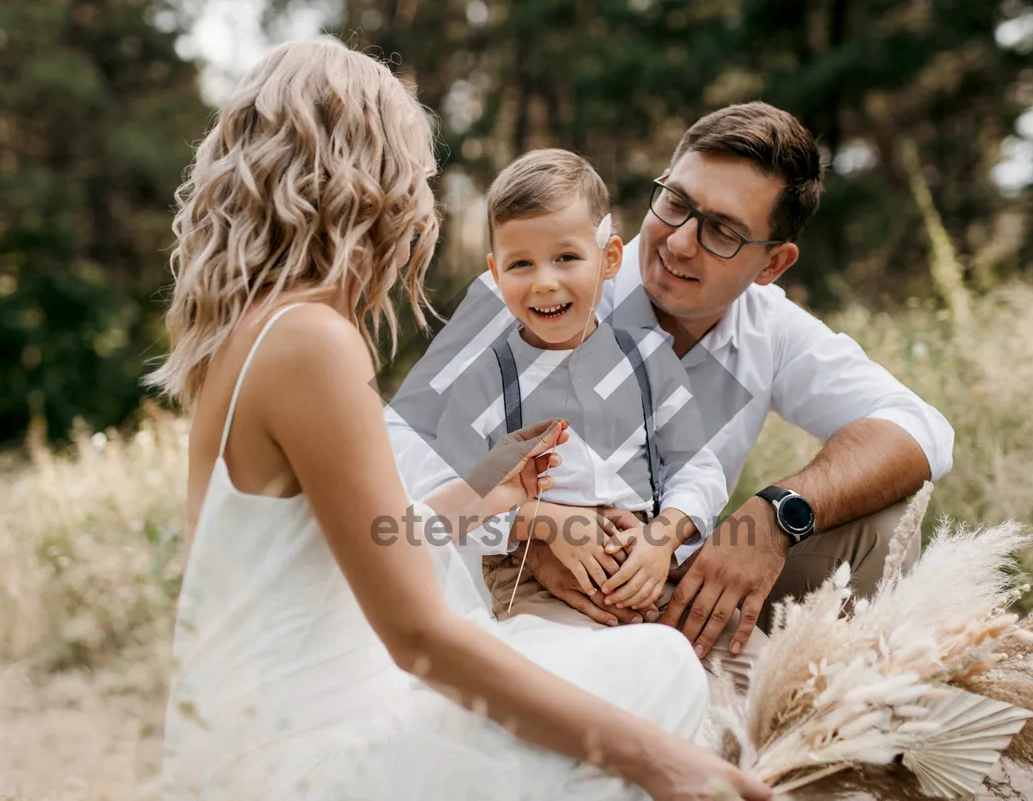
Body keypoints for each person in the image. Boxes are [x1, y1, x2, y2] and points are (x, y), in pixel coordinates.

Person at [151, 40, 770, 801]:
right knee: (660, 665)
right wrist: (661, 760)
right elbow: (419, 639)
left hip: (250, 741)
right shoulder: (312, 341)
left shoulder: (254, 335)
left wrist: (486, 494)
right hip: (304, 761)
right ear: (365, 182)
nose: (422, 197)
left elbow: (347, 551)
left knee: (581, 656)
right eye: (412, 170)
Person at [386, 102, 955, 690]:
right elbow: (393, 441)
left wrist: (770, 520)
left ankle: (846, 728)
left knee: (886, 526)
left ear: (773, 264)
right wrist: (528, 526)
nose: (680, 242)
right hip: (519, 591)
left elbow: (921, 428)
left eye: (724, 232)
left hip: (675, 581)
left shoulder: (773, 331)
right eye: (677, 203)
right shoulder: (537, 283)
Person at [425, 149, 728, 614]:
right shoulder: (484, 380)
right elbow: (445, 513)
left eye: (566, 257)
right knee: (580, 670)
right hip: (532, 571)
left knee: (737, 668)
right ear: (495, 274)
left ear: (608, 259)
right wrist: (543, 521)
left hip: (648, 561)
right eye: (520, 264)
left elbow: (698, 469)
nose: (545, 282)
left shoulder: (649, 361)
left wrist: (662, 537)